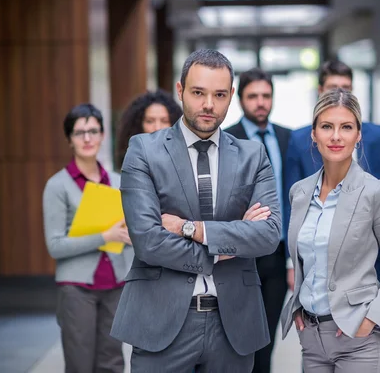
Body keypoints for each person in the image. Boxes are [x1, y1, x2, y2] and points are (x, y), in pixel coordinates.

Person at [110, 49, 282, 372]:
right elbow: (148, 241)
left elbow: (268, 235)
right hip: (161, 322)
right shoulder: (143, 151)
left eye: (219, 95)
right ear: (180, 91)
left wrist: (193, 229)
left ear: (231, 96)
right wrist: (228, 244)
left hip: (233, 325)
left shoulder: (252, 155)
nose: (208, 105)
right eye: (198, 93)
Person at [280, 88, 380, 373]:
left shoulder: (376, 192)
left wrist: (372, 319)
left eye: (346, 127)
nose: (336, 136)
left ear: (358, 134)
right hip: (312, 340)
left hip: (359, 339)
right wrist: (299, 305)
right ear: (313, 134)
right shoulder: (300, 192)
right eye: (327, 126)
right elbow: (306, 259)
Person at [284, 60, 380, 286]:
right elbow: (291, 205)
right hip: (318, 254)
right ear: (320, 91)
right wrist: (291, 263)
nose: (340, 93)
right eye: (333, 87)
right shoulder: (299, 140)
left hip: (373, 251)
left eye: (346, 87)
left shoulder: (379, 135)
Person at [42, 103, 134, 373]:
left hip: (115, 285)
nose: (87, 138)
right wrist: (105, 236)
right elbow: (55, 245)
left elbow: (128, 233)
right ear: (69, 139)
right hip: (77, 290)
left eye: (93, 131)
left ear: (103, 135)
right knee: (80, 364)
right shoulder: (57, 185)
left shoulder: (117, 182)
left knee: (113, 362)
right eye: (79, 132)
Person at [225, 67, 291, 373]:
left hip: (277, 254)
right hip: (240, 254)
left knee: (267, 341)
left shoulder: (289, 138)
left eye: (266, 96)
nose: (261, 102)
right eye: (253, 96)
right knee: (241, 339)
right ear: (240, 100)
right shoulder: (227, 141)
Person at [115, 89, 183, 168]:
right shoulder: (131, 165)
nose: (157, 127)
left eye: (164, 121)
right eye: (150, 121)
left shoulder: (185, 164)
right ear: (138, 125)